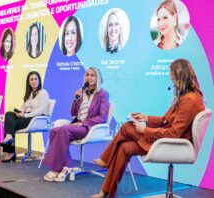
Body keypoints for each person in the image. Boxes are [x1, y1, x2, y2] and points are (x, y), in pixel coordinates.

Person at [90, 59, 205, 198]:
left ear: (180, 75)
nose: (170, 77)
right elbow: (165, 121)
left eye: (172, 74)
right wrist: (146, 118)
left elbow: (174, 133)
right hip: (166, 140)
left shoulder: (189, 100)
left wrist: (145, 130)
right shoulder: (186, 97)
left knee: (127, 127)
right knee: (124, 148)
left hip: (173, 144)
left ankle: (105, 159)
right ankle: (106, 192)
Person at [43, 67, 109, 182]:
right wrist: (76, 99)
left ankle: (56, 168)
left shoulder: (103, 94)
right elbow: (73, 113)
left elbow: (102, 117)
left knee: (63, 130)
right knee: (54, 131)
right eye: (88, 75)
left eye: (93, 75)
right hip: (76, 126)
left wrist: (84, 123)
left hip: (89, 128)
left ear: (98, 78)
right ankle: (67, 166)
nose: (89, 77)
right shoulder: (82, 92)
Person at [0, 71, 49, 163]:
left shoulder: (43, 93)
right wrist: (20, 112)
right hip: (27, 117)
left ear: (39, 80)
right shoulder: (29, 94)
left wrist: (25, 115)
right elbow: (23, 107)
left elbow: (40, 111)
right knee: (9, 114)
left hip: (37, 119)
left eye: (35, 79)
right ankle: (9, 137)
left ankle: (11, 152)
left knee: (10, 124)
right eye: (31, 79)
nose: (34, 81)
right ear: (28, 82)